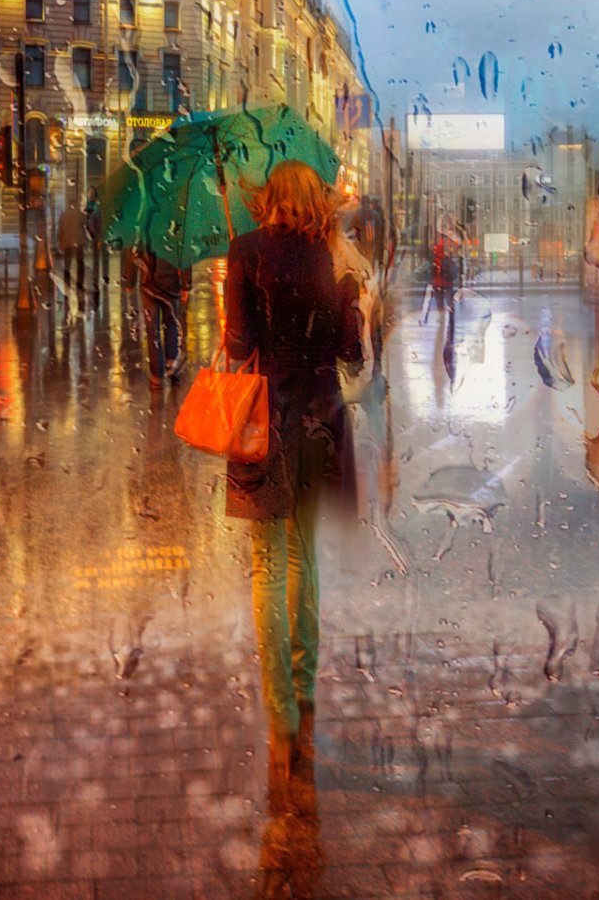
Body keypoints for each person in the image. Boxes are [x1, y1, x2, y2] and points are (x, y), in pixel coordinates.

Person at [223, 160, 363, 815]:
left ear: (268, 200)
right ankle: (303, 697)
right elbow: (349, 354)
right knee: (304, 555)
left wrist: (239, 283)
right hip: (320, 418)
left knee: (266, 562)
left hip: (264, 419)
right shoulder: (329, 258)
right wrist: (348, 303)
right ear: (318, 204)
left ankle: (280, 716)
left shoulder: (246, 250)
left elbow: (237, 343)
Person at [136, 246, 187, 389]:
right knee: (171, 323)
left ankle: (157, 376)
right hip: (170, 282)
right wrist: (186, 283)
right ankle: (173, 364)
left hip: (148, 283)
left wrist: (130, 278)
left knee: (153, 330)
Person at [57, 200, 87, 300]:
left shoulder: (64, 214)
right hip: (78, 242)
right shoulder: (80, 214)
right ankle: (79, 284)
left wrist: (60, 243)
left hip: (67, 243)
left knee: (67, 265)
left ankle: (67, 284)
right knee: (80, 264)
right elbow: (85, 226)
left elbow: (60, 230)